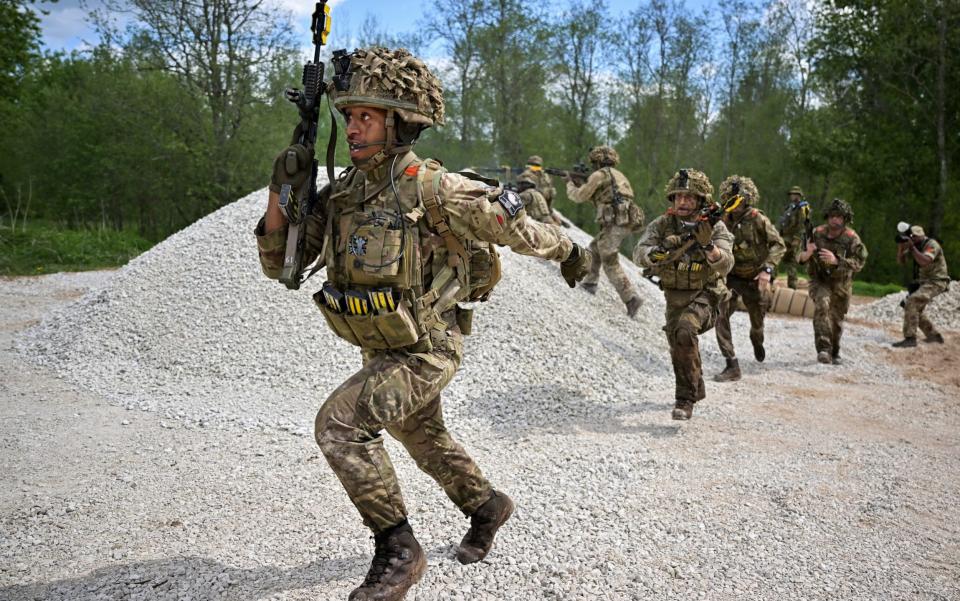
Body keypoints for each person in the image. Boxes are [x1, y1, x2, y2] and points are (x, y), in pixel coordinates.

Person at [255, 46, 592, 601]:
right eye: (350, 116)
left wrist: (570, 252)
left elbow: (520, 228)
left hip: (429, 347)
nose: (354, 127)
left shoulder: (435, 189)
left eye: (367, 116)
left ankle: (398, 550)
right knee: (423, 436)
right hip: (383, 346)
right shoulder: (342, 194)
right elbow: (279, 266)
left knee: (339, 425)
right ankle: (487, 507)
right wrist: (284, 186)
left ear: (401, 123)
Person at [633, 169, 734, 420]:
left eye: (689, 197)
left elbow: (726, 263)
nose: (682, 202)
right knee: (679, 347)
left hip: (706, 294)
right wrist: (660, 250)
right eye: (678, 196)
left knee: (685, 331)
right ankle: (696, 386)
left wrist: (708, 246)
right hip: (674, 296)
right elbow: (639, 254)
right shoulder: (662, 224)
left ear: (701, 201)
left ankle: (684, 400)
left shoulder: (715, 226)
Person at [713, 175, 786, 382]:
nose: (735, 204)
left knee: (757, 323)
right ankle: (731, 364)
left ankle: (757, 340)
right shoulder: (722, 219)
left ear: (747, 199)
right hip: (733, 276)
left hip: (756, 278)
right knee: (721, 312)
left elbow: (778, 245)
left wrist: (767, 270)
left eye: (739, 199)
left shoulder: (757, 219)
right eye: (731, 198)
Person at [566, 145, 645, 317]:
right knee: (594, 249)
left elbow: (579, 196)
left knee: (609, 258)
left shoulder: (599, 175)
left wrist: (571, 185)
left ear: (596, 161)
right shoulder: (619, 175)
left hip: (615, 222)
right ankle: (590, 283)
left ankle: (631, 298)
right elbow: (605, 197)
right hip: (624, 221)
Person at [797, 198, 868, 364]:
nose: (835, 220)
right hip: (820, 280)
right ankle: (823, 349)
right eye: (832, 216)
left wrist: (837, 260)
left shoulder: (852, 238)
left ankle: (834, 351)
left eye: (839, 217)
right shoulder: (816, 233)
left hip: (841, 283)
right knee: (822, 305)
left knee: (836, 320)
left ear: (845, 219)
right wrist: (808, 252)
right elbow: (799, 258)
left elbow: (859, 263)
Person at [892, 224, 949, 347]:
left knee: (912, 301)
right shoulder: (916, 245)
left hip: (937, 281)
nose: (910, 240)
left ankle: (910, 338)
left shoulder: (931, 245)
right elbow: (901, 262)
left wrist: (912, 248)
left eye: (912, 238)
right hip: (924, 282)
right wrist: (901, 248)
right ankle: (934, 336)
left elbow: (924, 261)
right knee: (908, 305)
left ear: (919, 236)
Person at [777, 186, 809, 289]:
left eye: (794, 194)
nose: (792, 196)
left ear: (799, 195)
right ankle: (772, 280)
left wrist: (797, 238)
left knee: (789, 261)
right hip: (785, 237)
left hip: (793, 239)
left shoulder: (803, 208)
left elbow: (803, 224)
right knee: (779, 258)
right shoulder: (791, 207)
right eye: (791, 194)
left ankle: (792, 286)